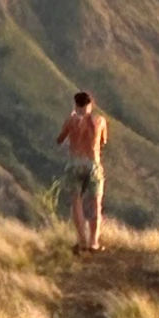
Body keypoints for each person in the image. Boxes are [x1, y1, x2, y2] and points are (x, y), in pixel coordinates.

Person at [57, 91, 108, 252]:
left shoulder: (71, 120)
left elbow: (60, 139)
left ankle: (82, 241)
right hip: (93, 164)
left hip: (75, 164)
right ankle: (94, 242)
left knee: (76, 203)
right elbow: (103, 141)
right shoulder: (99, 120)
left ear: (76, 105)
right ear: (91, 105)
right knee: (95, 203)